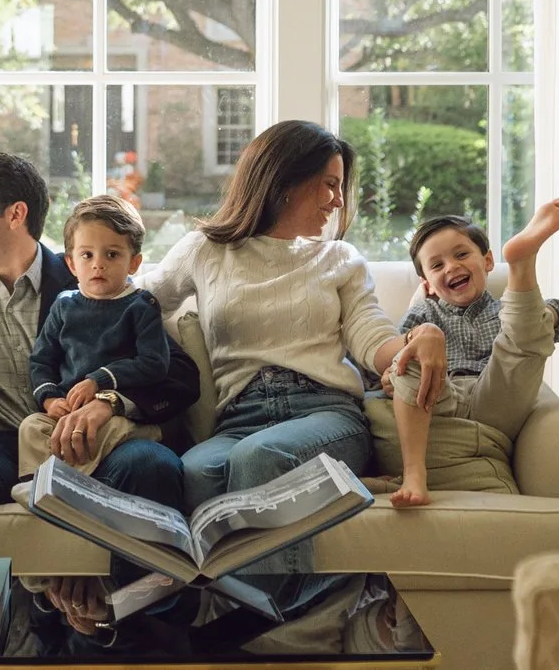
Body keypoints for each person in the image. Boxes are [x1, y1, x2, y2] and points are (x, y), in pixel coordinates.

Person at [143, 120, 445, 571]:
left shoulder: (338, 259)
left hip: (325, 413)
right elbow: (137, 300)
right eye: (329, 184)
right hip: (239, 418)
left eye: (340, 187)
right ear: (284, 179)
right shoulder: (205, 250)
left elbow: (371, 337)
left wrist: (420, 338)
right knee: (195, 470)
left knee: (261, 458)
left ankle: (275, 627)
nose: (339, 200)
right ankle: (232, 610)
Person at [0, 152, 198, 550]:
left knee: (152, 466)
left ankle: (135, 610)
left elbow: (180, 373)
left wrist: (109, 401)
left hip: (97, 439)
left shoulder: (91, 274)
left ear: (15, 214)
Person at [385, 200, 559, 507]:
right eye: (437, 265)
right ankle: (413, 474)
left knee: (520, 339)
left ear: (488, 261)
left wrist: (548, 313)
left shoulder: (506, 311)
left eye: (461, 254)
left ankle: (522, 263)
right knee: (413, 352)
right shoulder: (423, 312)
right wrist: (393, 369)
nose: (451, 267)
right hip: (437, 396)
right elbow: (394, 349)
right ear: (428, 285)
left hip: (494, 395)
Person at [20, 193, 173, 476]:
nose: (98, 264)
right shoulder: (64, 306)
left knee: (114, 429)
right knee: (31, 427)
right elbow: (41, 361)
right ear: (71, 263)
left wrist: (99, 380)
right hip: (68, 412)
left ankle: (75, 483)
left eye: (112, 254)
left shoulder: (141, 306)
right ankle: (36, 487)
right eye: (87, 255)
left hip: (117, 413)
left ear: (134, 263)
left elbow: (154, 363)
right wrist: (50, 399)